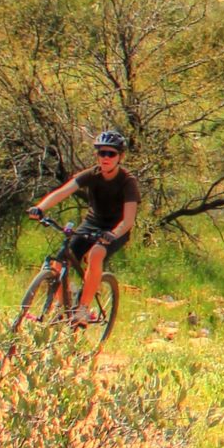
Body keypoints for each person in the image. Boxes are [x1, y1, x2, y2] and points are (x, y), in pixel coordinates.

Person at [29, 129, 140, 322]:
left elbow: (128, 220)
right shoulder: (92, 174)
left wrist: (113, 234)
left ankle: (83, 309)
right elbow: (63, 191)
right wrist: (40, 208)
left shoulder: (127, 182)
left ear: (120, 157)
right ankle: (61, 306)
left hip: (116, 229)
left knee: (96, 254)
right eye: (101, 153)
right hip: (92, 223)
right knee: (60, 259)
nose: (105, 158)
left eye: (111, 154)